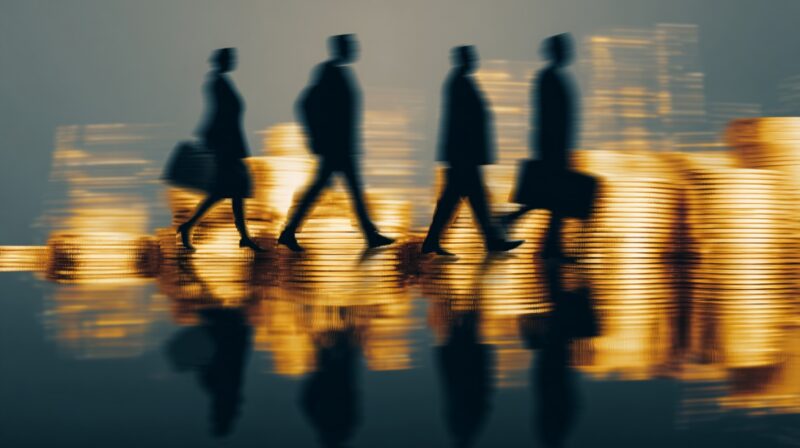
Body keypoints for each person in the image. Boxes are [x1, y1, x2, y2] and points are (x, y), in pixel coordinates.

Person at [278, 34, 394, 253]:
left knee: (341, 191)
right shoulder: (329, 72)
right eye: (351, 46)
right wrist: (314, 136)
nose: (355, 49)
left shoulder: (339, 72)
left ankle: (290, 231)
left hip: (341, 146)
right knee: (331, 191)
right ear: (341, 48)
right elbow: (305, 103)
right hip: (334, 147)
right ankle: (289, 231)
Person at [421, 46, 523, 256]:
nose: (475, 61)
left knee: (460, 201)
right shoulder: (460, 83)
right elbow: (465, 121)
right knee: (469, 200)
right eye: (471, 57)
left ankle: (435, 241)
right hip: (464, 155)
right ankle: (490, 240)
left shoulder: (459, 81)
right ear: (464, 59)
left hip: (462, 155)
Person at [177, 48, 264, 252]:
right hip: (226, 146)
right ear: (222, 61)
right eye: (230, 58)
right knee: (232, 190)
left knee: (229, 192)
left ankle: (193, 227)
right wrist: (213, 140)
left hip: (230, 144)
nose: (234, 61)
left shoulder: (221, 81)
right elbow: (218, 113)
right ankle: (241, 236)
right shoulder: (217, 83)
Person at [502, 34, 578, 259]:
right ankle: (550, 247)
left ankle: (515, 223)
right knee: (554, 199)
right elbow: (548, 117)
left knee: (552, 198)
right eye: (564, 49)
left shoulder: (553, 77)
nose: (568, 53)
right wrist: (551, 148)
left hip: (555, 146)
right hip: (552, 147)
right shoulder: (549, 78)